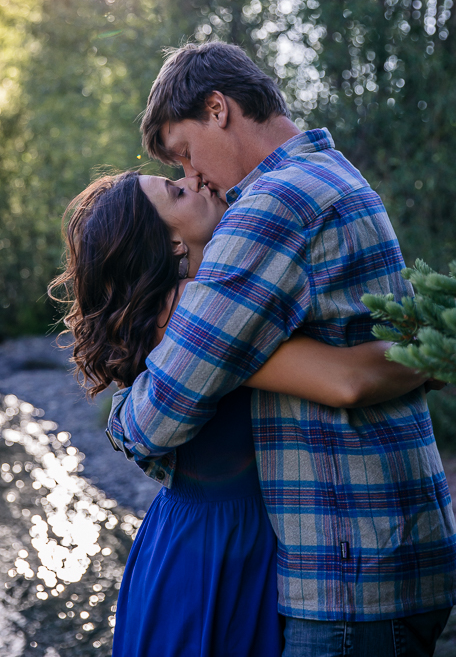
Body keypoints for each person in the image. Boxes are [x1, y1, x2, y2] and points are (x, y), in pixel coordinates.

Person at [106, 42, 456, 657]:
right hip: (395, 543)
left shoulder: (271, 204)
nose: (194, 176)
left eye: (186, 152)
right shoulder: (335, 171)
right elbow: (370, 362)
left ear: (218, 108)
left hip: (348, 567)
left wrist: (207, 348)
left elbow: (152, 419)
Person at [54, 169, 438, 657]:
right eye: (176, 192)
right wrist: (433, 352)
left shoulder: (210, 298)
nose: (194, 181)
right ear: (171, 243)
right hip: (212, 555)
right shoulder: (187, 311)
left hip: (234, 539)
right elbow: (347, 380)